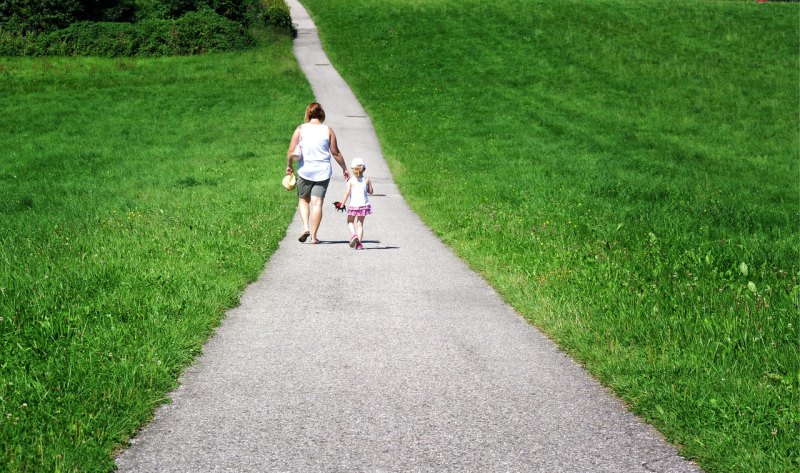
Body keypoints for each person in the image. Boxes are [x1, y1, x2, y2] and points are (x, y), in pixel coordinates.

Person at [286, 102, 349, 244]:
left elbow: (291, 151)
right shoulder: (328, 130)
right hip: (323, 172)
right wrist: (344, 168)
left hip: (305, 171)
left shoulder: (300, 129)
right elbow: (335, 152)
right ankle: (314, 237)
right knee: (317, 203)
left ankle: (305, 228)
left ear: (308, 114)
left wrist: (289, 166)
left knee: (303, 200)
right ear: (322, 115)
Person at [340, 158, 373, 250]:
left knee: (350, 221)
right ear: (364, 169)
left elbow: (347, 193)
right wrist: (369, 184)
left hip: (354, 206)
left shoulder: (351, 180)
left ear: (352, 169)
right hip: (364, 205)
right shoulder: (367, 180)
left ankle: (354, 235)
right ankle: (359, 244)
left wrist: (342, 203)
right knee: (360, 224)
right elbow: (371, 191)